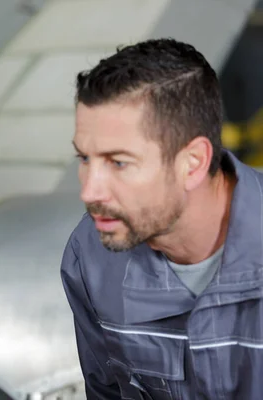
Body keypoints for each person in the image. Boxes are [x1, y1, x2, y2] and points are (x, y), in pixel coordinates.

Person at [61, 38, 263, 399]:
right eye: (85, 159)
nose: (90, 192)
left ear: (194, 162)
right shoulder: (91, 256)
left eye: (119, 163)